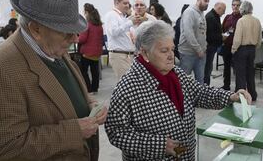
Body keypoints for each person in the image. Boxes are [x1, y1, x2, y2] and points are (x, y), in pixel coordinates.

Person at [104, 20, 252, 160]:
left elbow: (200, 93)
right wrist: (159, 145)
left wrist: (230, 96)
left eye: (172, 49)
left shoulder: (176, 74)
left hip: (185, 154)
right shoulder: (128, 87)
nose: (171, 56)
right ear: (144, 53)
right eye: (164, 50)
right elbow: (116, 132)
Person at [0, 0, 108, 160]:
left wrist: (90, 104)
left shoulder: (51, 46)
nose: (75, 39)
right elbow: (9, 147)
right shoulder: (4, 68)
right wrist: (75, 131)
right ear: (36, 29)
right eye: (66, 32)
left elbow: (66, 91)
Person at [104, 0, 139, 80]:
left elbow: (127, 34)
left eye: (128, 3)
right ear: (116, 3)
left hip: (128, 55)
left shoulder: (122, 17)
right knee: (126, 83)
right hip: (119, 55)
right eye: (125, 3)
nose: (127, 5)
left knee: (130, 83)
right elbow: (114, 32)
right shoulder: (111, 15)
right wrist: (131, 22)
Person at [232, 0, 262, 101]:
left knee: (240, 73)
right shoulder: (257, 21)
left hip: (242, 49)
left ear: (243, 9)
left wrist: (234, 49)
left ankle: (241, 96)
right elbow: (259, 38)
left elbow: (237, 38)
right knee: (250, 72)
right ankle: (253, 95)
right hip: (252, 49)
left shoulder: (241, 20)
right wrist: (255, 47)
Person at [178, 0, 209, 84]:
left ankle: (199, 98)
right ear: (199, 0)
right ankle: (183, 98)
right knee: (183, 81)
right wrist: (198, 49)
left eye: (208, 1)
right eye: (205, 1)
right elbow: (188, 34)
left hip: (200, 53)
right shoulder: (189, 12)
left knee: (200, 81)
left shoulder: (201, 13)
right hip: (188, 53)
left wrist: (204, 47)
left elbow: (202, 33)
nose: (207, 3)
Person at [79, 3, 104, 94]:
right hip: (96, 53)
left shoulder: (87, 24)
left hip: (87, 53)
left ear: (86, 12)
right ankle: (95, 89)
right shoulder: (99, 24)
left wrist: (75, 38)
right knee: (95, 71)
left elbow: (82, 39)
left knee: (83, 71)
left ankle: (88, 89)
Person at [221, 0, 242, 91]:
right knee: (226, 67)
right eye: (233, 5)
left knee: (238, 68)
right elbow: (222, 29)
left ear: (240, 7)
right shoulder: (227, 17)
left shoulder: (242, 18)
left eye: (237, 5)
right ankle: (226, 86)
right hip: (227, 45)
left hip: (237, 47)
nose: (235, 7)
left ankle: (239, 88)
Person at [204, 2, 226, 85]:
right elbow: (210, 36)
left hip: (212, 46)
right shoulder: (211, 17)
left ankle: (206, 85)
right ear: (219, 8)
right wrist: (222, 37)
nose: (224, 13)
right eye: (223, 10)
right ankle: (205, 87)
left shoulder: (215, 16)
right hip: (209, 47)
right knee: (207, 68)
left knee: (208, 68)